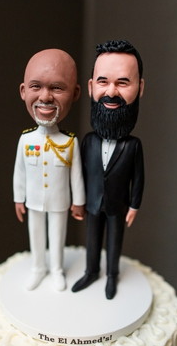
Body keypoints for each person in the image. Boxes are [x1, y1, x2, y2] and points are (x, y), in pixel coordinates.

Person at [72, 40, 147, 300]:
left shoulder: (134, 146)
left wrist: (135, 206)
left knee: (115, 243)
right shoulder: (88, 142)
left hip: (119, 206)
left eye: (123, 82)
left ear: (140, 88)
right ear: (92, 87)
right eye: (103, 82)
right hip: (92, 203)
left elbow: (138, 179)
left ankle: (112, 275)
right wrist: (77, 201)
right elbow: (79, 174)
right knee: (92, 239)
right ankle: (91, 271)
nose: (111, 92)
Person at [13, 49, 87, 291]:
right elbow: (20, 172)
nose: (45, 97)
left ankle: (56, 268)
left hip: (59, 201)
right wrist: (18, 198)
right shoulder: (25, 140)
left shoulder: (69, 142)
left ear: (74, 94)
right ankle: (38, 267)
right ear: (23, 91)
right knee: (35, 233)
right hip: (33, 200)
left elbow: (77, 177)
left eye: (56, 88)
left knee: (58, 235)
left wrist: (79, 202)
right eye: (36, 87)